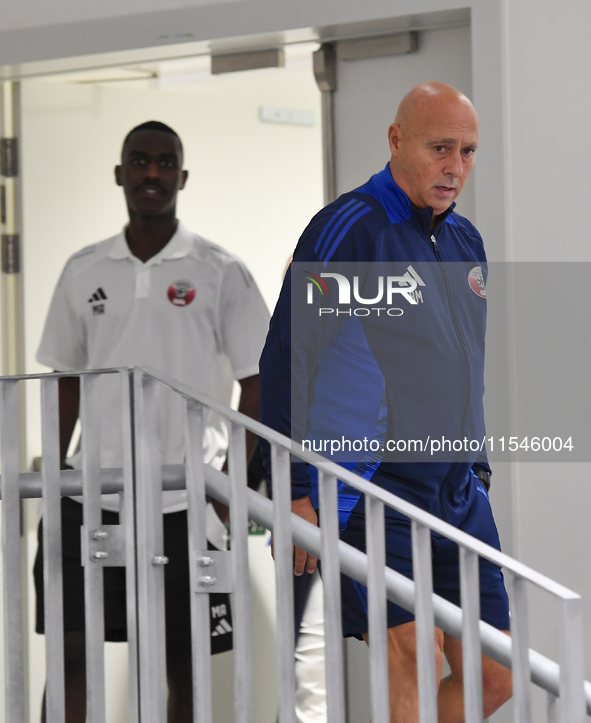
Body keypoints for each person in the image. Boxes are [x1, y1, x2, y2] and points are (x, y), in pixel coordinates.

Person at [259, 83, 513, 722]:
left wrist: (475, 464)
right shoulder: (352, 228)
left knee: (496, 676)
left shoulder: (465, 243)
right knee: (413, 659)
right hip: (373, 487)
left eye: (469, 152)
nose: (456, 166)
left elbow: (462, 369)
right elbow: (289, 356)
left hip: (455, 489)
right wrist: (294, 487)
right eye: (440, 148)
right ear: (397, 141)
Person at [34, 120, 270, 723]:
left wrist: (232, 492)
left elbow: (259, 384)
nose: (152, 173)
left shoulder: (220, 270)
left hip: (185, 499)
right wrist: (58, 473)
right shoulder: (85, 270)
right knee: (69, 655)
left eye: (165, 163)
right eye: (140, 162)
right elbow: (64, 376)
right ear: (120, 174)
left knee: (183, 664)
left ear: (182, 178)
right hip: (93, 495)